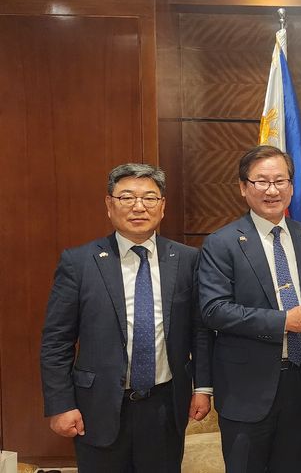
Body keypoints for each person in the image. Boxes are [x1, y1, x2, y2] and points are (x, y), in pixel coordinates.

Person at [40, 163, 213, 472]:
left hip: (164, 404)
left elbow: (200, 330)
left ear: (162, 206)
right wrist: (61, 404)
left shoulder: (187, 259)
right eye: (127, 197)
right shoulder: (79, 262)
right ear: (109, 204)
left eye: (149, 198)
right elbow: (56, 341)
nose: (138, 206)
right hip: (98, 406)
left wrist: (202, 388)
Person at [198, 145, 301, 473]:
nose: (272, 190)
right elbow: (215, 310)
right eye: (261, 181)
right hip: (246, 388)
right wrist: (284, 321)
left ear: (291, 187)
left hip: (299, 382)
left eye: (280, 181)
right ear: (243, 187)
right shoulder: (222, 242)